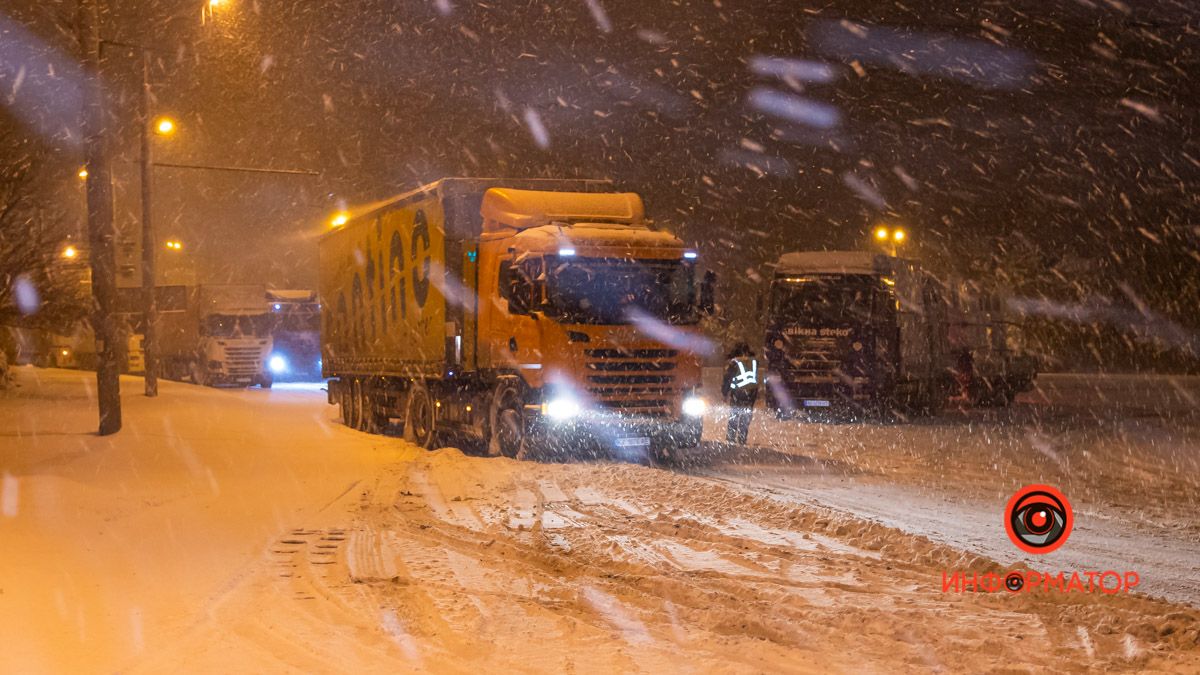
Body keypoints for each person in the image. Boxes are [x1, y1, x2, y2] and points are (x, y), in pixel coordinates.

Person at [721, 342, 759, 444]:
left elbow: (727, 379)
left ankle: (731, 438)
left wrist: (724, 393)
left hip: (738, 393)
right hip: (751, 393)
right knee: (746, 416)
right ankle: (742, 438)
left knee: (734, 415)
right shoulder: (754, 361)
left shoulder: (735, 362)